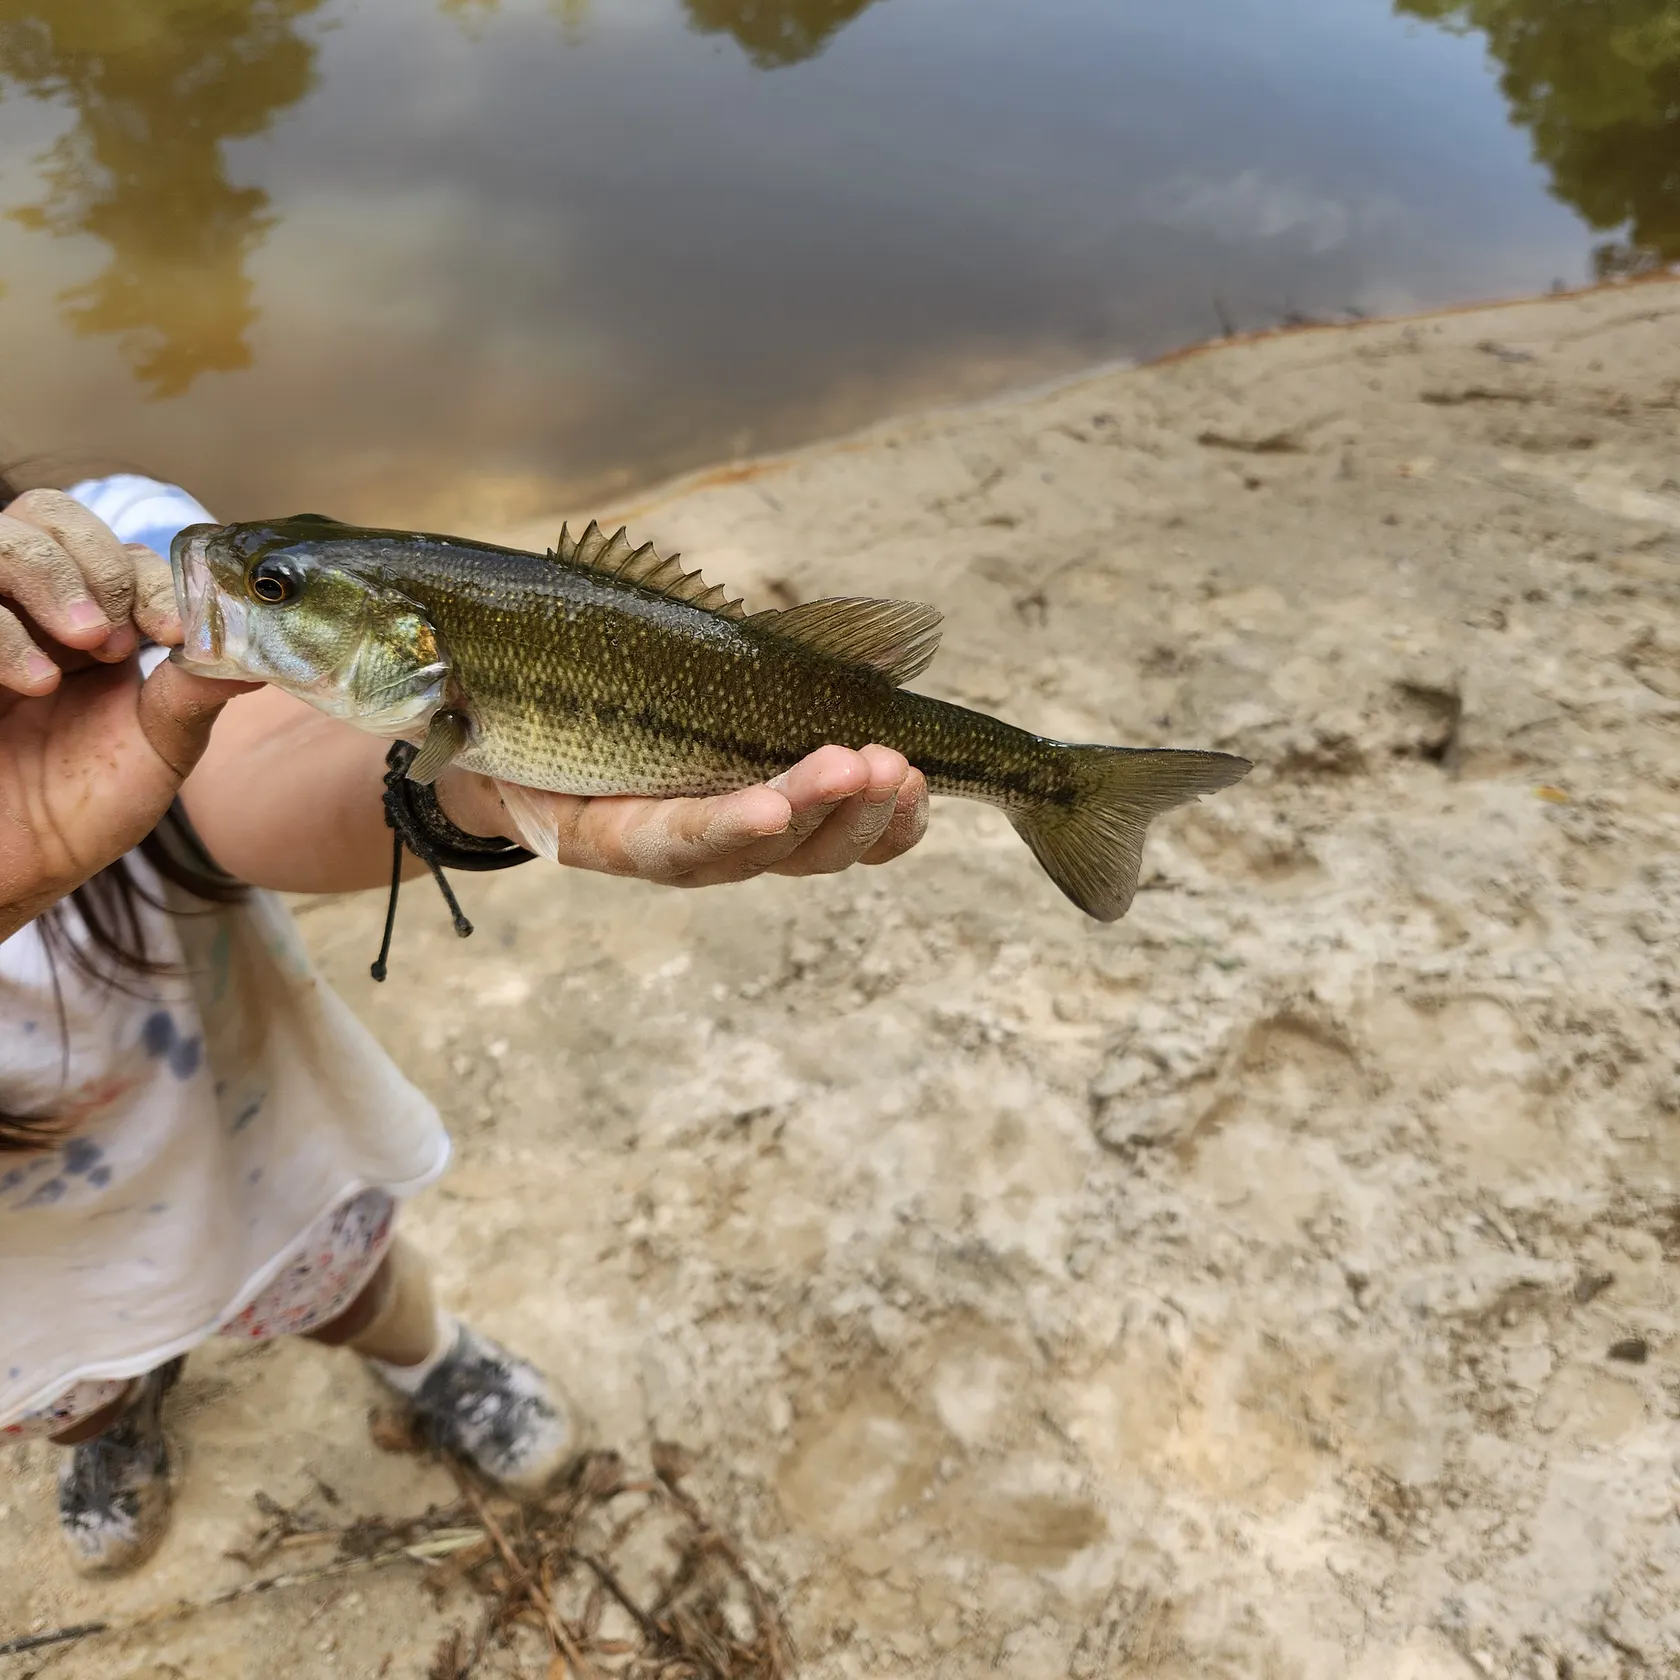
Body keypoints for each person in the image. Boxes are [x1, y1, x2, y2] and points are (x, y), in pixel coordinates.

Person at [0, 471, 928, 1573]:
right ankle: (105, 1430)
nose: (233, 582)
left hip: (264, 1167)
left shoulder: (87, 581)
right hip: (30, 1289)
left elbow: (256, 784)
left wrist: (481, 789)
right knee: (73, 1384)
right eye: (274, 586)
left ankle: (430, 1361)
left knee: (352, 1292)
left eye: (278, 585)